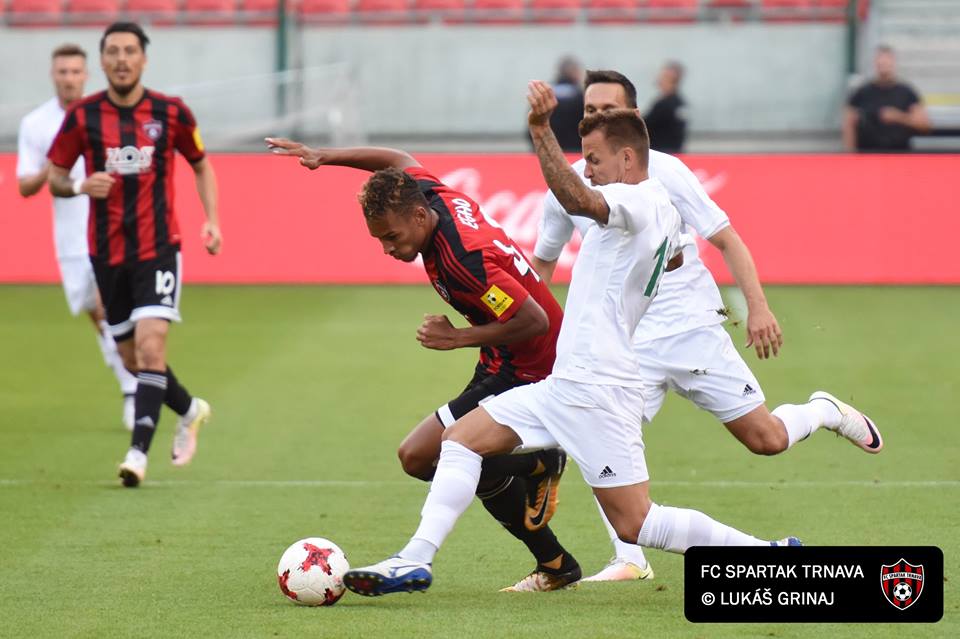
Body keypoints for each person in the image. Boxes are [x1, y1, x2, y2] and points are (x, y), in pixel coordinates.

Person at [340, 84, 847, 598]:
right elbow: (667, 257)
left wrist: (541, 131)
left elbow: (580, 199)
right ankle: (415, 560)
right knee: (461, 442)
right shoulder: (661, 214)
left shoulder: (636, 200)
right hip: (571, 380)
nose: (588, 169)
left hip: (600, 388)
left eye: (595, 159)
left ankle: (767, 557)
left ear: (628, 158)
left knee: (638, 523)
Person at [532, 69, 884, 582]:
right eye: (588, 111)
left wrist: (758, 307)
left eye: (607, 110)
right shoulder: (567, 186)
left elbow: (726, 239)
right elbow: (542, 264)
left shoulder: (667, 173)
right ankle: (630, 557)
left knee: (765, 439)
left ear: (632, 119)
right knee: (598, 435)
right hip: (626, 348)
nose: (595, 118)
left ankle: (822, 410)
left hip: (690, 329)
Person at [265, 137, 581, 592]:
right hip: (503, 359)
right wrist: (325, 157)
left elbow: (532, 320)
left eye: (391, 238)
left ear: (417, 218)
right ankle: (554, 558)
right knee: (429, 456)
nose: (388, 250)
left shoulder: (464, 260)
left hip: (530, 366)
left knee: (423, 454)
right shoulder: (428, 195)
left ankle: (538, 474)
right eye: (379, 240)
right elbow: (396, 160)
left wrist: (458, 337)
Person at [46, 22, 221, 488]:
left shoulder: (171, 112)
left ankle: (137, 455)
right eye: (113, 52)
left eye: (130, 51)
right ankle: (189, 409)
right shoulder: (82, 117)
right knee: (132, 361)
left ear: (144, 59)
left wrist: (212, 219)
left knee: (151, 347)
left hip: (159, 249)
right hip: (106, 254)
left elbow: (201, 164)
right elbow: (56, 176)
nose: (122, 59)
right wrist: (81, 184)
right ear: (102, 62)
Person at [17, 43, 138, 431]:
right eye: (62, 72)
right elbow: (25, 186)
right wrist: (55, 167)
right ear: (54, 75)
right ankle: (129, 379)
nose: (69, 78)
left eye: (75, 72)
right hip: (70, 237)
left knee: (109, 309)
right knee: (98, 317)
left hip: (111, 230)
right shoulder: (36, 124)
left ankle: (134, 389)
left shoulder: (104, 116)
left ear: (87, 74)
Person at [843, 45, 931, 152]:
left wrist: (899, 117)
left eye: (887, 61)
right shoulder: (862, 92)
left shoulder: (907, 92)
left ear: (893, 63)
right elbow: (848, 124)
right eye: (880, 62)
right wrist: (850, 154)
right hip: (868, 154)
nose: (883, 65)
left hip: (899, 154)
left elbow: (924, 125)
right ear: (875, 63)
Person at [643, 61, 687, 154]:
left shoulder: (666, 105)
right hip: (670, 153)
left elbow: (644, 125)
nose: (659, 79)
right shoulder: (678, 103)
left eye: (663, 76)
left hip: (662, 153)